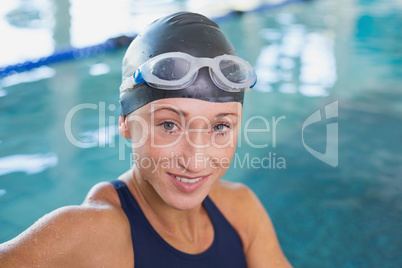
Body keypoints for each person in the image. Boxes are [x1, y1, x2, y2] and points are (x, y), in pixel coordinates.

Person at [0, 12, 292, 267]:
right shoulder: (89, 233)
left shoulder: (241, 210)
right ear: (125, 123)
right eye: (169, 125)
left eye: (220, 127)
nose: (195, 160)